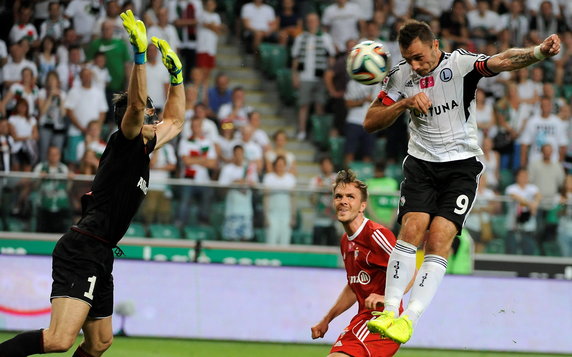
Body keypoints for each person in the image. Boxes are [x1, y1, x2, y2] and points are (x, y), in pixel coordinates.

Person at [0, 10, 185, 357]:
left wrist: (177, 77)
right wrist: (140, 57)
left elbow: (176, 119)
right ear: (136, 116)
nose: (155, 116)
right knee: (58, 340)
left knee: (100, 342)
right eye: (149, 112)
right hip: (83, 249)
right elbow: (134, 107)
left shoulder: (145, 144)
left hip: (101, 253)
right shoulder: (126, 140)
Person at [363, 20, 560, 344]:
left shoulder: (459, 65)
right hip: (421, 164)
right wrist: (405, 103)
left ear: (435, 45)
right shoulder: (401, 76)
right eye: (408, 58)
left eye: (419, 57)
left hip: (461, 166)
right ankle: (390, 310)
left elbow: (502, 60)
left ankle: (408, 320)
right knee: (411, 228)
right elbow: (370, 121)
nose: (415, 65)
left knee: (439, 238)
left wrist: (538, 52)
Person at [311, 169, 413, 357]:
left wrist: (389, 299)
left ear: (362, 205)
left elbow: (410, 270)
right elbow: (353, 286)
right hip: (363, 318)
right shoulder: (346, 242)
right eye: (339, 196)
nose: (343, 201)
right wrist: (327, 319)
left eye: (351, 196)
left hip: (382, 320)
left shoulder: (376, 235)